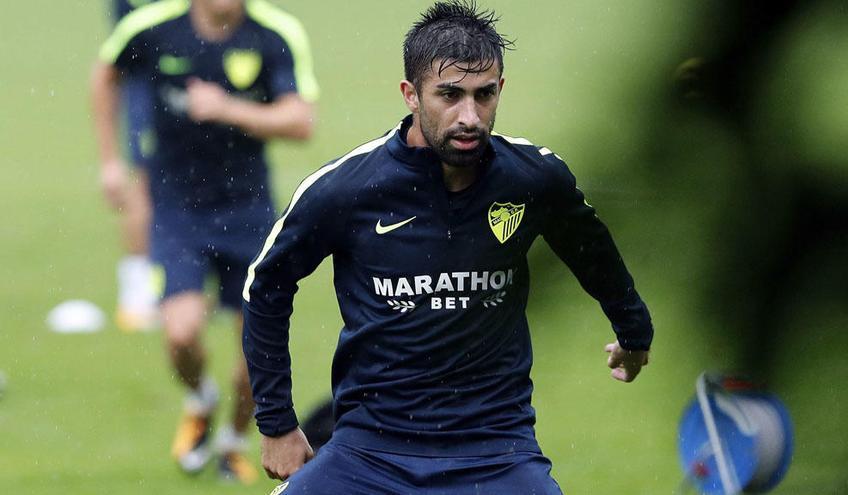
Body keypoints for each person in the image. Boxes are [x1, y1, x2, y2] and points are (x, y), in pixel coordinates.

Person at [242, 1, 652, 493]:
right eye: (449, 95)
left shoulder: (533, 179)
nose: (469, 117)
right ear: (410, 95)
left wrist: (634, 331)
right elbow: (267, 285)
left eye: (485, 95)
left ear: (502, 89)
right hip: (369, 450)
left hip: (497, 451)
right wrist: (277, 424)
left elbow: (594, 252)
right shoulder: (347, 189)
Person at [91, 0, 319, 483]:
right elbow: (105, 76)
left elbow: (301, 122)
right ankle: (200, 399)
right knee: (180, 331)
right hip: (177, 211)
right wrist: (111, 161)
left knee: (253, 356)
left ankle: (233, 441)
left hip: (249, 209)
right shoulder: (150, 29)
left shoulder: (274, 32)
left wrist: (227, 109)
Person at [103, 0, 160, 332]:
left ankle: (202, 287)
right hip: (152, 71)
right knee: (146, 180)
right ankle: (137, 294)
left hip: (193, 55)